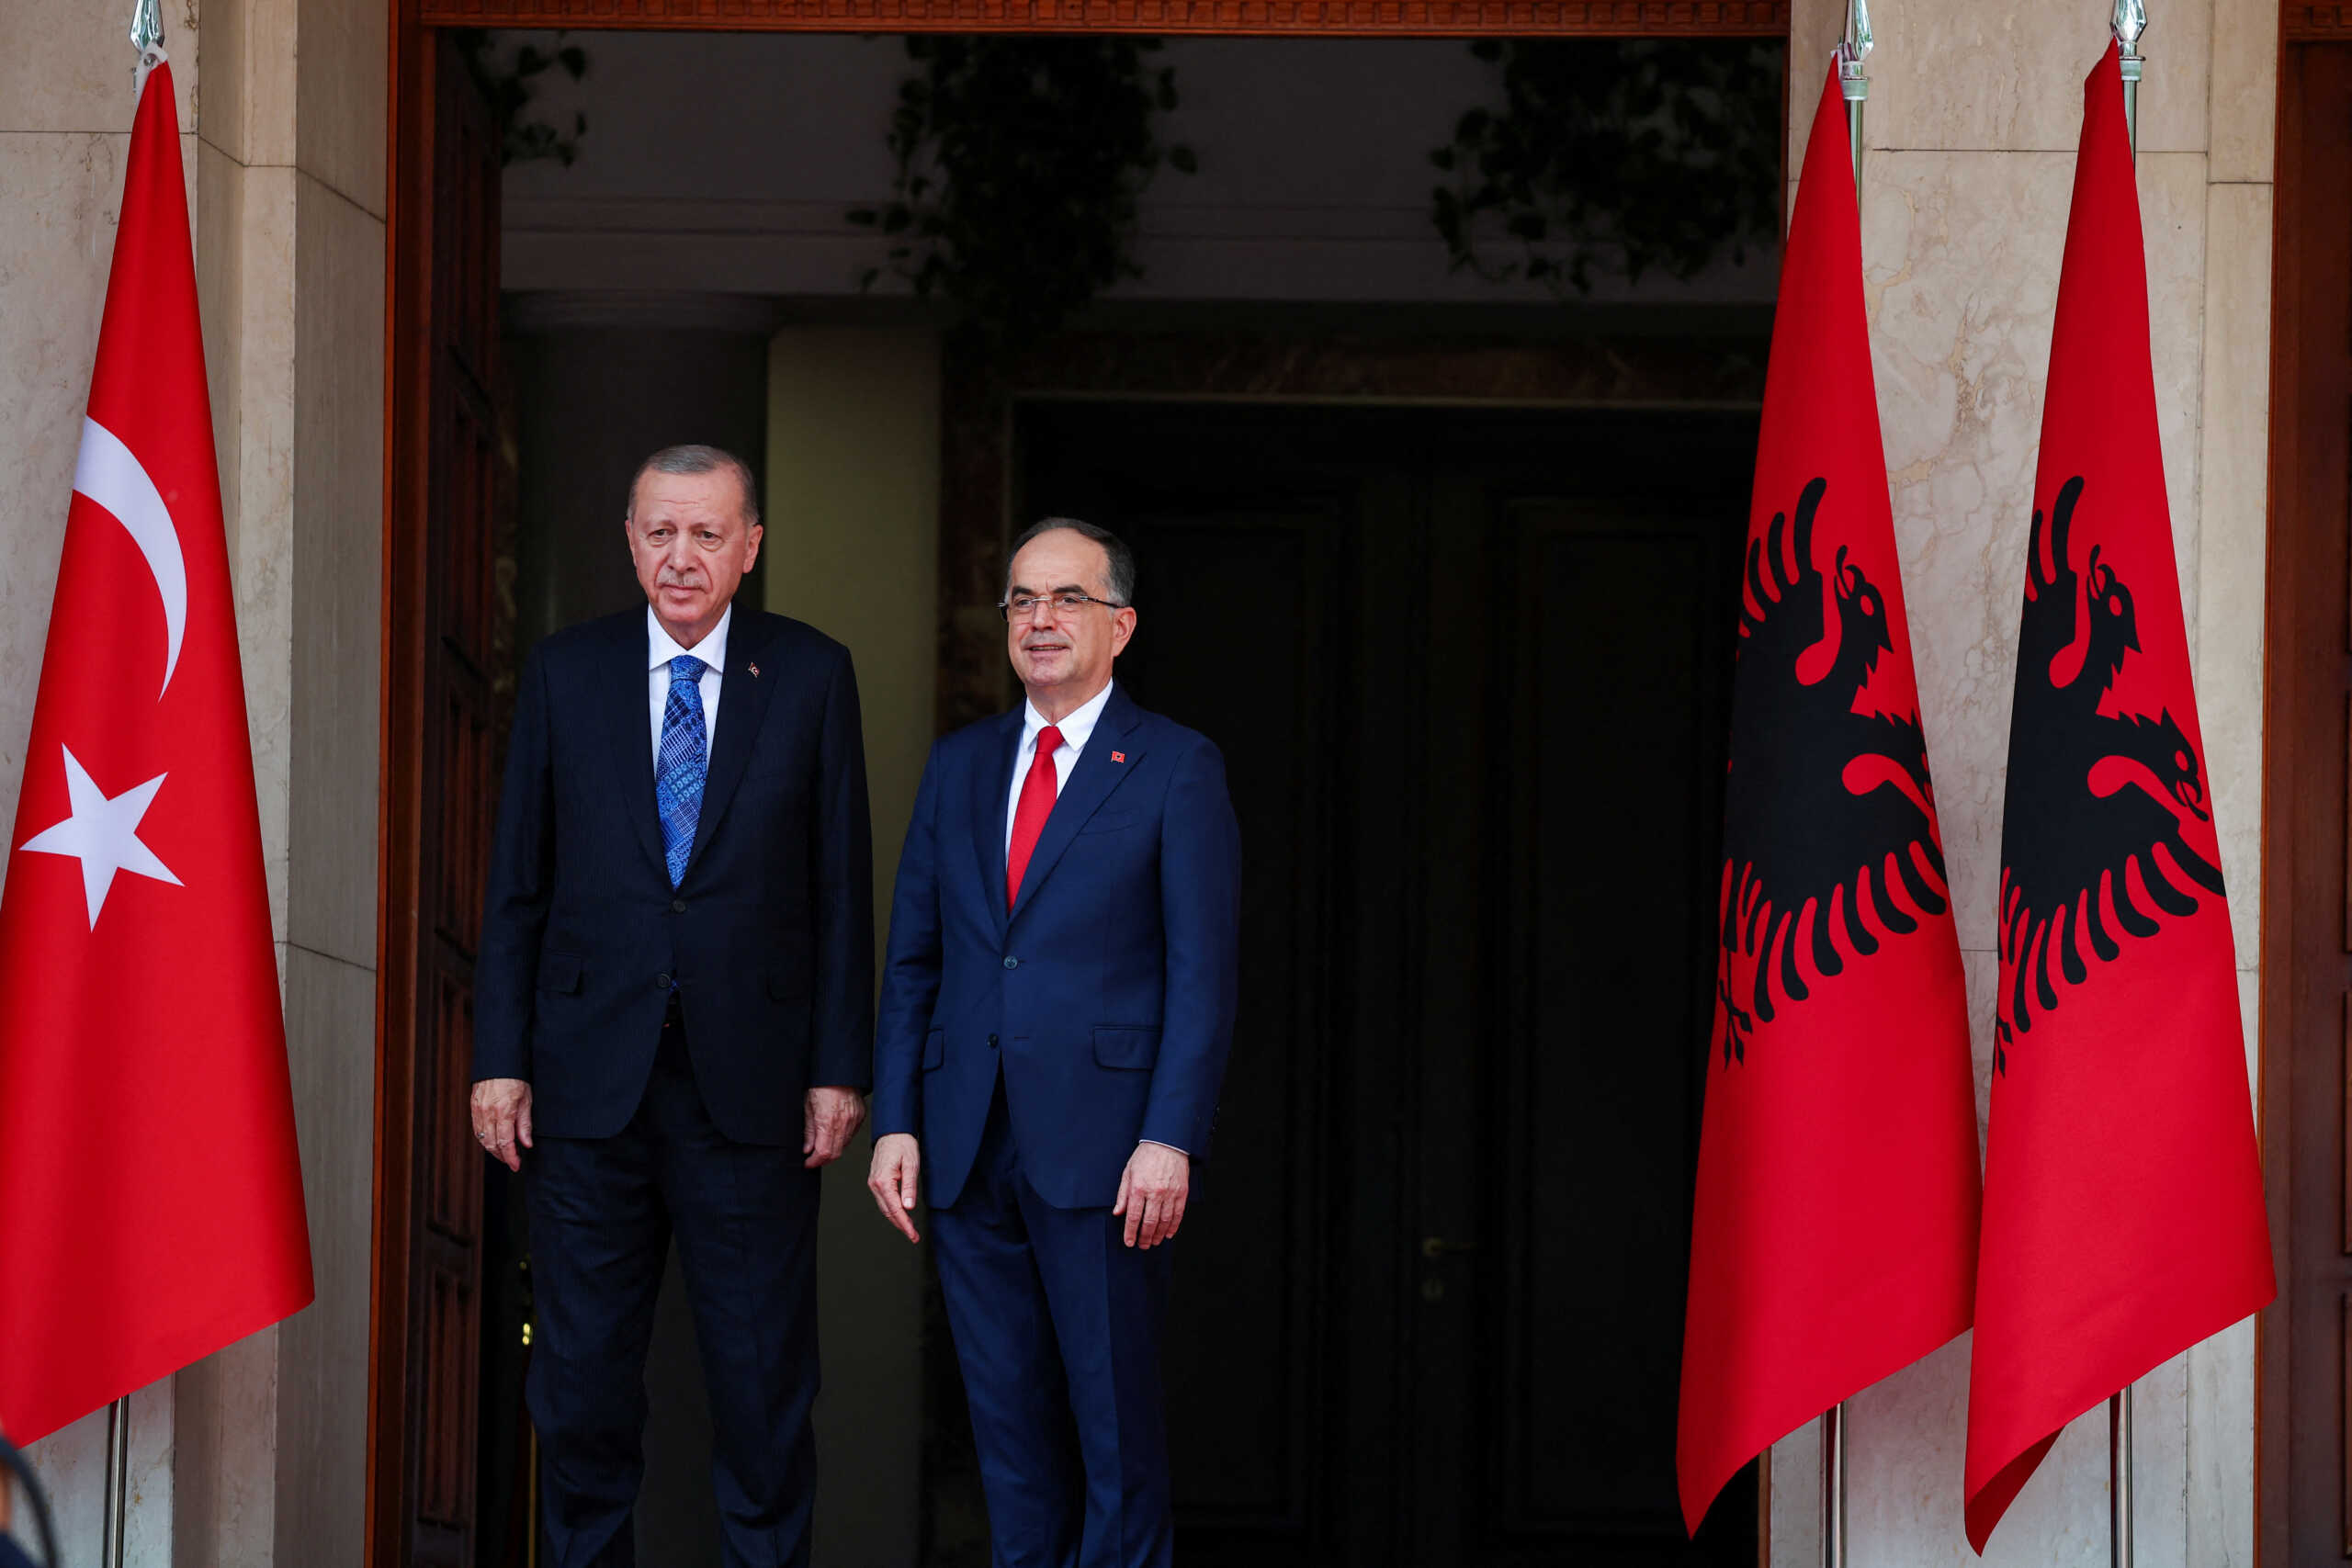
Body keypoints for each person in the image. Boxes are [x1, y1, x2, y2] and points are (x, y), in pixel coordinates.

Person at [473, 444, 874, 1566]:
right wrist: (498, 1056)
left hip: (751, 1093)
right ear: (630, 541)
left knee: (761, 1393)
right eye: (661, 532)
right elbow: (518, 883)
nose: (682, 557)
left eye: (708, 534)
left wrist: (840, 1066)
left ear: (751, 549)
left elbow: (842, 885)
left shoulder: (809, 673)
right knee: (583, 1387)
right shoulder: (567, 671)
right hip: (585, 1094)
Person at [867, 517, 1241, 1568]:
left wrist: (1170, 1137)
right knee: (1005, 1431)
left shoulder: (1173, 767)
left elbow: (1202, 973)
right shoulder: (960, 766)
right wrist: (896, 1119)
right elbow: (915, 962)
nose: (1039, 620)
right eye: (1022, 600)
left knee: (1113, 1430)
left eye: (1066, 599)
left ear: (1119, 625)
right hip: (969, 1137)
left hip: (1110, 1152)